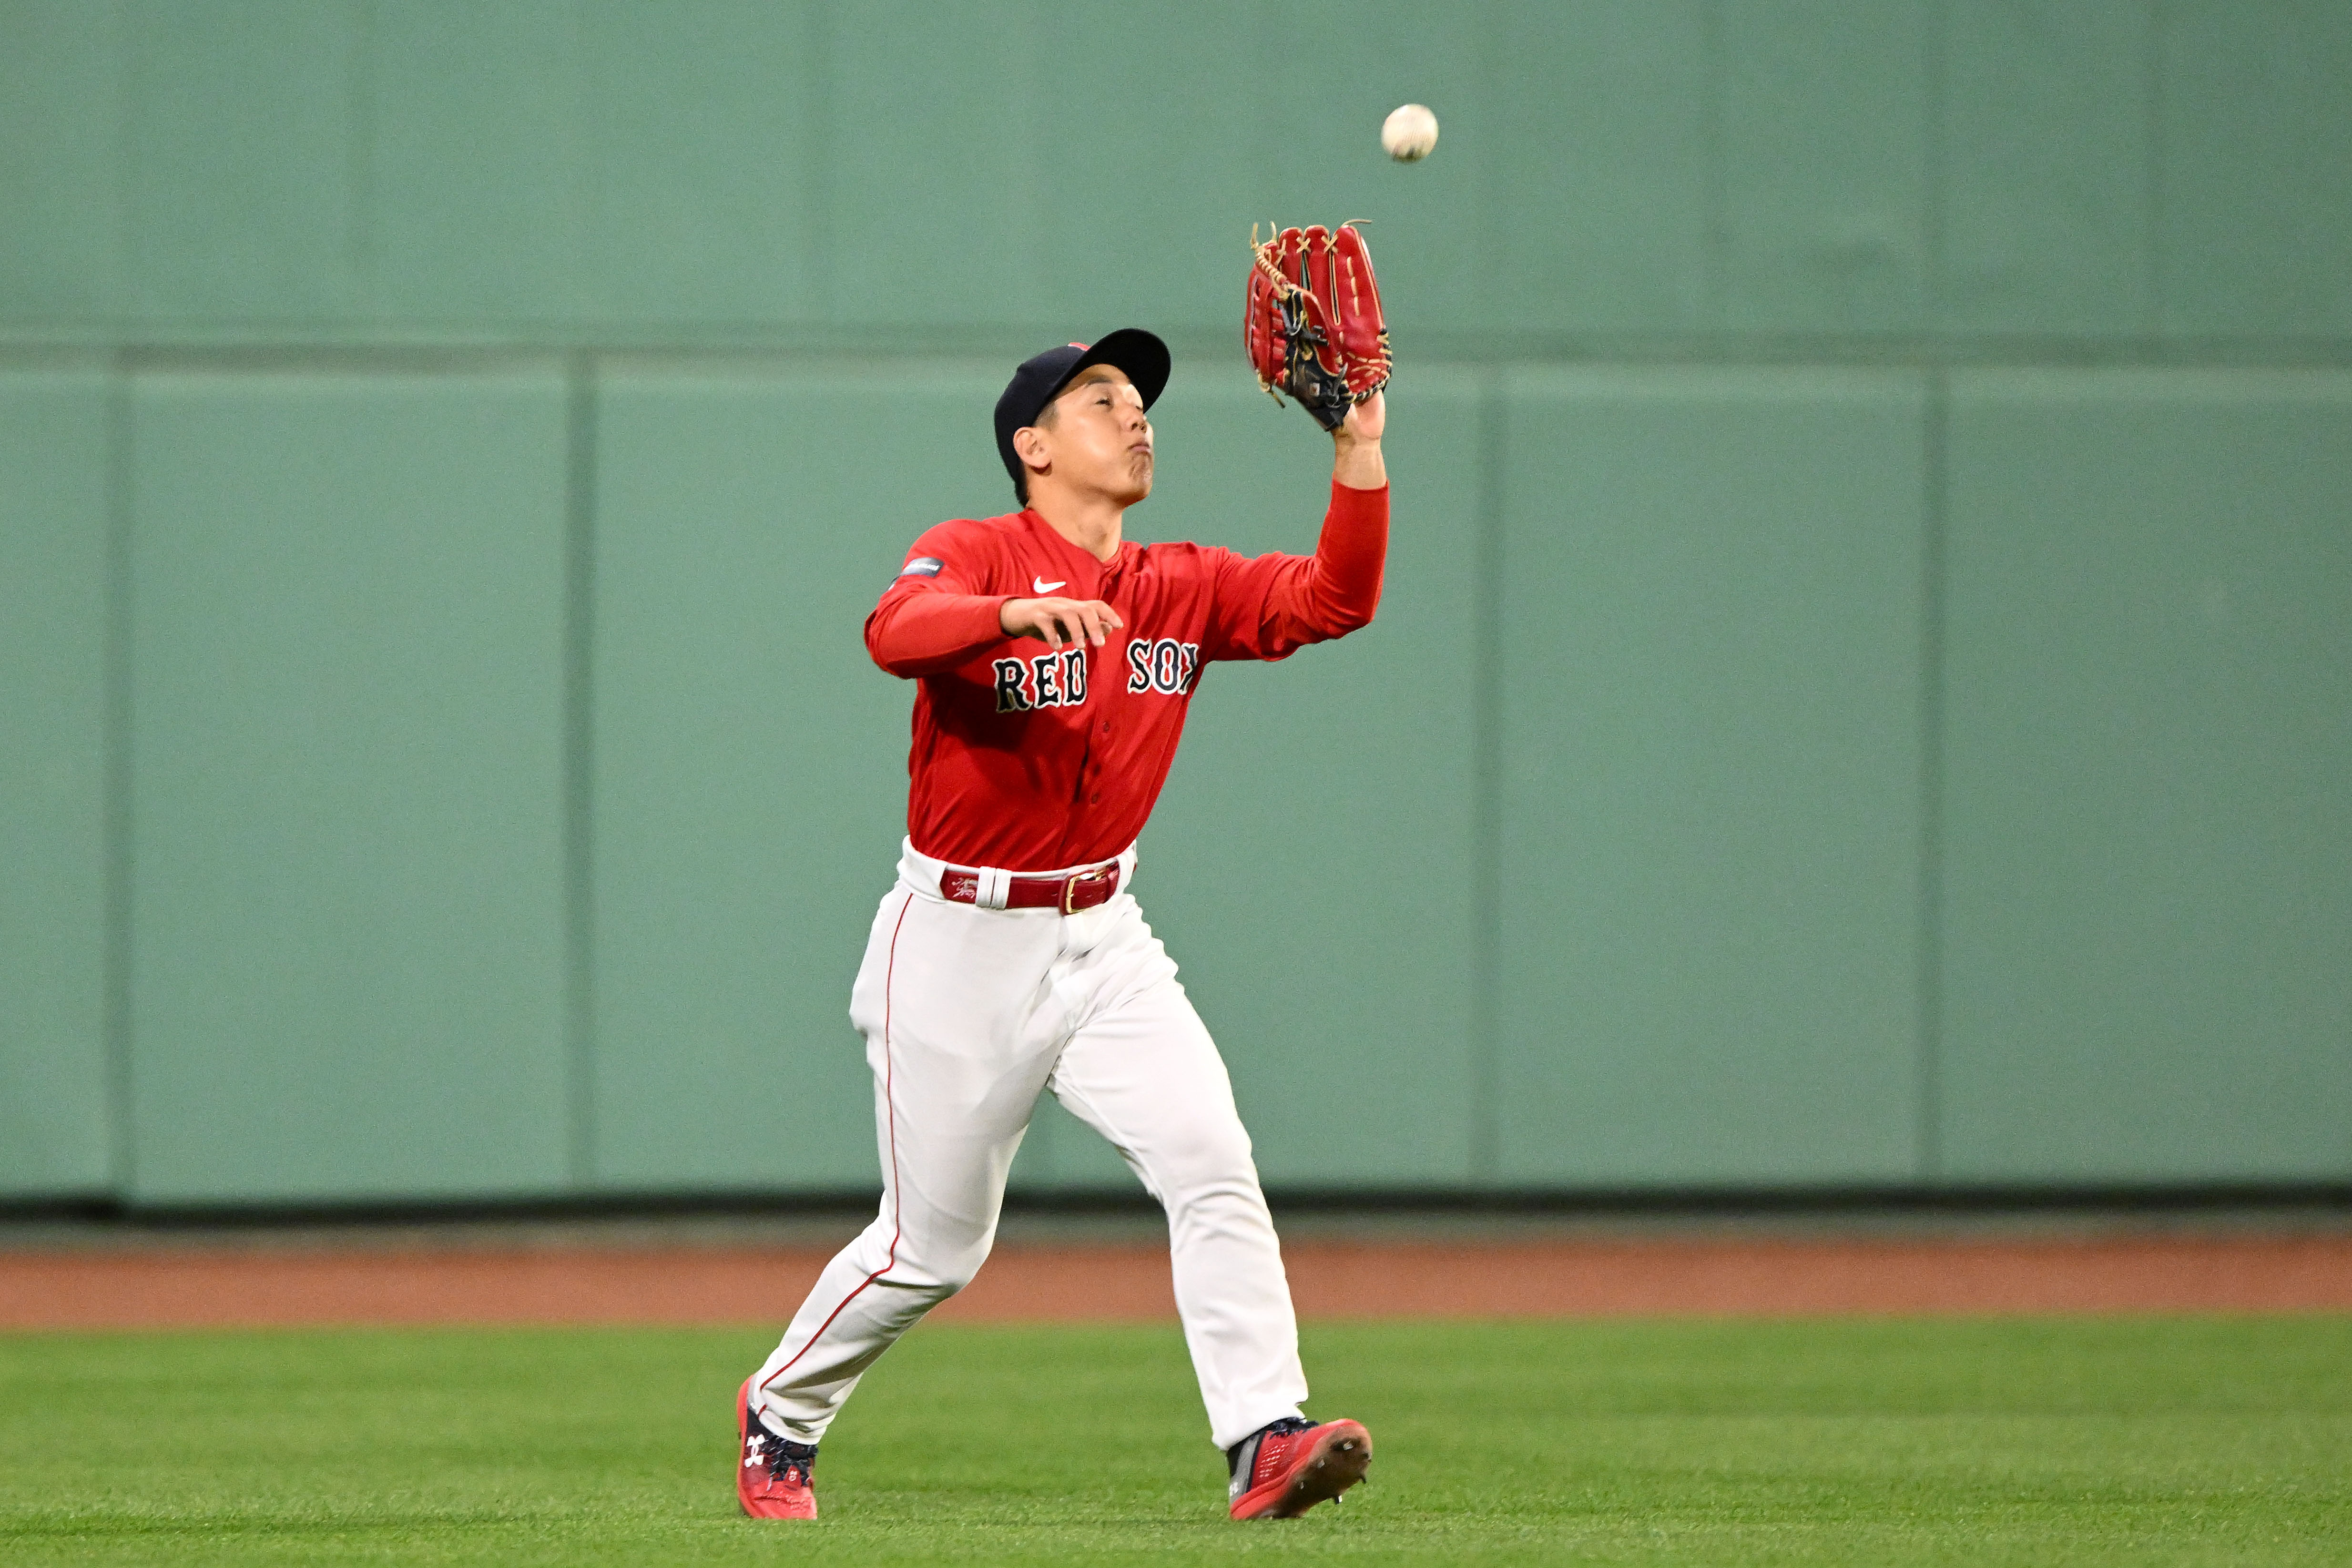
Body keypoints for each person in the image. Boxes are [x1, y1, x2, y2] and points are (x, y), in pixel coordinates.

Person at [736, 327, 1388, 1521]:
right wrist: (999, 617)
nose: (1136, 417)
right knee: (934, 1252)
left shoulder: (1176, 587)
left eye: (1141, 402)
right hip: (956, 941)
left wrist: (1357, 446)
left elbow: (1336, 597)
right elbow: (892, 630)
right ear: (1032, 446)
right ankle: (782, 1410)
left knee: (1211, 1158)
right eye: (1102, 401)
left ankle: (1264, 1437)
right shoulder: (972, 549)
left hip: (1104, 936)